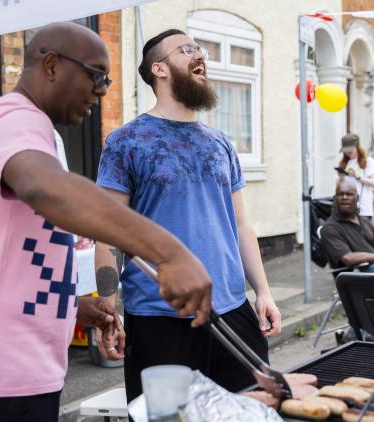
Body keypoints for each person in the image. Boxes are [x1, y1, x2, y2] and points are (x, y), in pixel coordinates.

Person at [0, 23, 213, 422]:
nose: (103, 89)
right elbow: (47, 191)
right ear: (52, 65)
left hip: (12, 370)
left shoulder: (40, 133)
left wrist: (69, 307)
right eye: (95, 75)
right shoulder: (10, 119)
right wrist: (169, 253)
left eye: (106, 79)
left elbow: (11, 255)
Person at [94, 28, 281, 402]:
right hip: (159, 318)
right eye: (187, 50)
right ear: (159, 69)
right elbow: (108, 232)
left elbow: (241, 224)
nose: (200, 56)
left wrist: (262, 291)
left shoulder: (220, 143)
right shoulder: (126, 142)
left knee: (250, 411)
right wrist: (109, 308)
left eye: (200, 49)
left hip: (231, 311)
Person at [336, 133, 374, 221]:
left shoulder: (368, 161)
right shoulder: (344, 163)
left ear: (357, 147)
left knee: (361, 234)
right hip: (346, 209)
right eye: (346, 151)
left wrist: (358, 177)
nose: (348, 153)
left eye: (350, 150)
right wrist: (341, 178)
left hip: (363, 209)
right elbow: (339, 187)